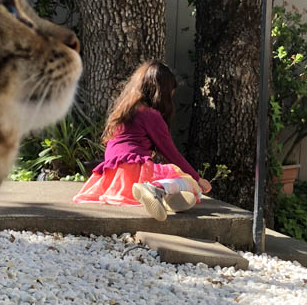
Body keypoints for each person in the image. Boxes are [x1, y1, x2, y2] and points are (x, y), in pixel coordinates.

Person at [73, 61, 212, 221]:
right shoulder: (151, 115)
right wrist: (198, 179)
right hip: (135, 171)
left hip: (114, 177)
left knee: (183, 189)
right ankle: (156, 189)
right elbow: (171, 153)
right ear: (162, 92)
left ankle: (162, 196)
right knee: (189, 182)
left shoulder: (123, 113)